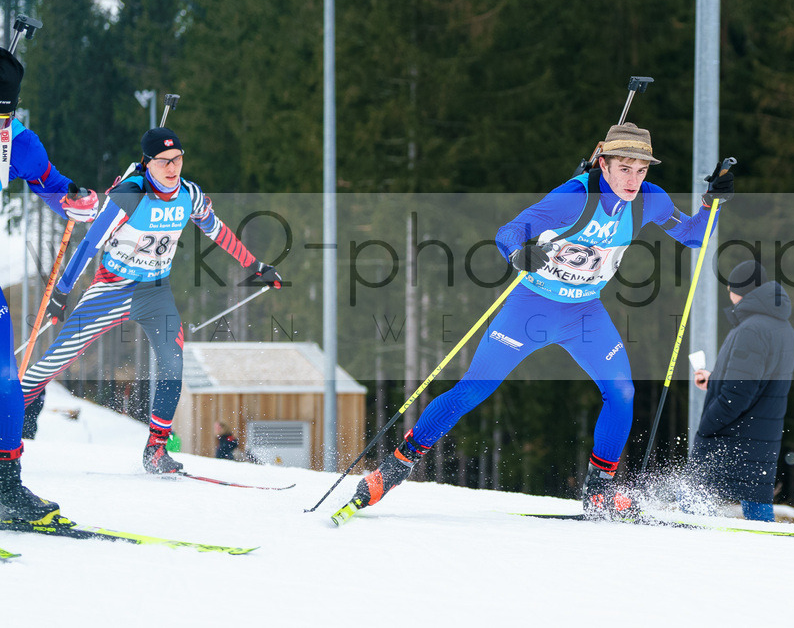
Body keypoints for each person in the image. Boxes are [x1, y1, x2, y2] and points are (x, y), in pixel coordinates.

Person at [334, 122, 734, 522]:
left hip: (584, 313)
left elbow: (694, 236)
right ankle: (394, 469)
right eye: (624, 168)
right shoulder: (572, 197)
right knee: (473, 390)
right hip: (532, 309)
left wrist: (710, 204)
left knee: (623, 393)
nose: (633, 179)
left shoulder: (651, 201)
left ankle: (598, 493)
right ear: (604, 163)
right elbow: (510, 231)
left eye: (641, 169)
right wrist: (518, 254)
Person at [19, 127, 283, 475]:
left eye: (177, 159)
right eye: (163, 161)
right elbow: (88, 245)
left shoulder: (189, 194)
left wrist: (255, 265)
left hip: (155, 292)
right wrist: (61, 292)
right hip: (112, 289)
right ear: (147, 163)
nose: (172, 167)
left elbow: (216, 230)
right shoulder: (130, 194)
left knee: (173, 366)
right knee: (52, 364)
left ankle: (156, 450)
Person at [1, 47, 99, 523]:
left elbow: (52, 185)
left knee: (5, 380)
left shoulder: (18, 142)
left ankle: (4, 486)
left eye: (5, 112)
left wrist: (75, 201)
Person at [686, 260, 794, 522]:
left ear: (742, 291)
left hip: (733, 434)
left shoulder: (752, 329)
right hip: (760, 435)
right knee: (756, 504)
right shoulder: (782, 327)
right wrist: (714, 381)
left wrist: (707, 426)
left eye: (730, 287)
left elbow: (738, 394)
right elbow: (759, 382)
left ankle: (691, 546)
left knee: (692, 496)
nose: (728, 292)